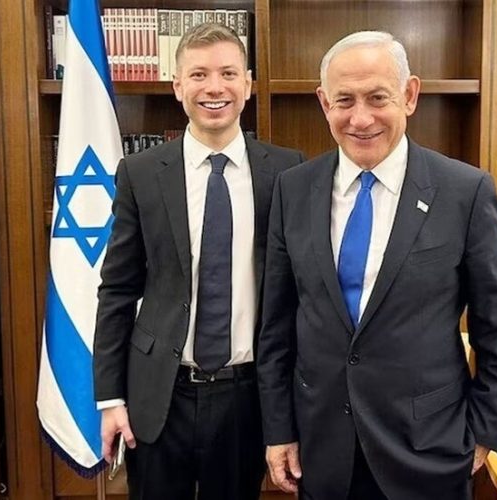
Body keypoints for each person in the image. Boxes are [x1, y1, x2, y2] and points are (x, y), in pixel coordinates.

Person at [257, 31, 497, 500]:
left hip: (431, 450)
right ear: (324, 103)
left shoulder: (465, 192)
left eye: (378, 98)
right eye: (344, 100)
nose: (360, 118)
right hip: (322, 449)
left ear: (409, 95)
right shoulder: (293, 189)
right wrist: (279, 430)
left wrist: (482, 435)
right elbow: (276, 326)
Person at [93, 23, 305, 500]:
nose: (214, 87)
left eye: (228, 73)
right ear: (177, 86)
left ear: (247, 85)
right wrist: (110, 398)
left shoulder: (287, 171)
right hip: (158, 394)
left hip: (246, 397)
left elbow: (299, 291)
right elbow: (117, 290)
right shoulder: (140, 173)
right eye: (199, 74)